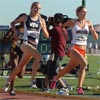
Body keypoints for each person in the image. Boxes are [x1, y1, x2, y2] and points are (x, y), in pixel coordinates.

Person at [50, 6, 98, 95]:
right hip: (73, 48)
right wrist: (65, 36)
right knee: (84, 64)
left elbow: (96, 38)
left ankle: (55, 79)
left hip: (83, 49)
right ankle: (79, 88)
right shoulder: (72, 22)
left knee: (68, 68)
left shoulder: (88, 23)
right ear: (78, 13)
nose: (84, 14)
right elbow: (62, 27)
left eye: (85, 12)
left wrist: (93, 31)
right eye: (82, 12)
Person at [4, 1, 49, 92]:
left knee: (19, 67)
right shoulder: (25, 17)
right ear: (31, 8)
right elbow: (12, 23)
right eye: (35, 7)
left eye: (39, 8)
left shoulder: (41, 20)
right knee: (39, 56)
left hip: (33, 46)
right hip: (25, 43)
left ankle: (8, 81)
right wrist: (15, 31)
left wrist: (44, 28)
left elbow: (47, 35)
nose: (37, 10)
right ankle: (32, 80)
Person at [43, 13, 68, 92]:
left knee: (55, 72)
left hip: (56, 53)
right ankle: (46, 86)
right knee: (48, 70)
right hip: (57, 53)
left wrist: (47, 24)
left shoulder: (56, 29)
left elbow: (46, 34)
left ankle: (64, 86)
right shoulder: (63, 29)